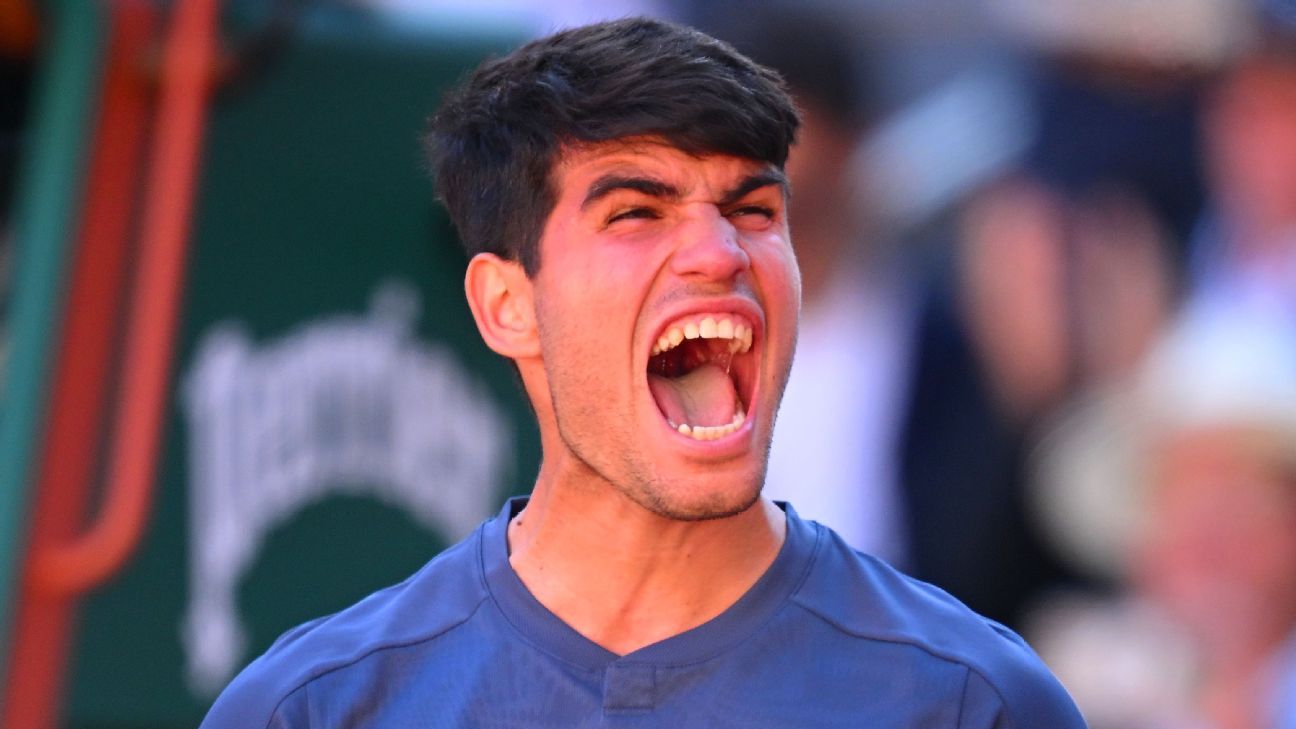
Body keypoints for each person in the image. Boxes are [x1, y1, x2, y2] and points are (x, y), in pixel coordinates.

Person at [199, 17, 1085, 727]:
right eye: (636, 212)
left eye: (753, 208)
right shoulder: (316, 707)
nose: (718, 250)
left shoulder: (975, 701)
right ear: (507, 304)